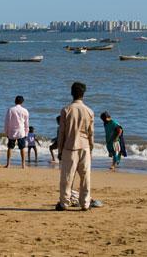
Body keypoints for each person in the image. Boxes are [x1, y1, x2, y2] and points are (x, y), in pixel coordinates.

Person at [56, 82, 94, 212]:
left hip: (70, 146)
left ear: (72, 93)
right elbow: (91, 133)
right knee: (85, 177)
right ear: (83, 94)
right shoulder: (89, 111)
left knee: (67, 177)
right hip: (85, 146)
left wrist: (59, 149)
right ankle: (85, 203)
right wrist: (91, 149)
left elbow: (62, 133)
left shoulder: (66, 110)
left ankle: (64, 203)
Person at [4, 95, 29, 169]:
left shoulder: (11, 109)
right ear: (22, 102)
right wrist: (26, 133)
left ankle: (8, 164)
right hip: (21, 131)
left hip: (12, 131)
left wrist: (6, 132)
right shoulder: (25, 111)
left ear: (15, 101)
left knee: (10, 147)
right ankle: (23, 165)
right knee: (22, 148)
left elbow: (7, 122)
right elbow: (27, 123)